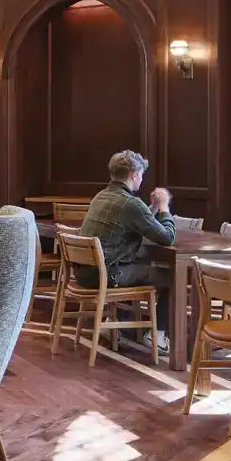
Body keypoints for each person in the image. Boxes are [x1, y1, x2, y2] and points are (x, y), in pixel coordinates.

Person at [76, 150, 176, 351]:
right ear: (133, 175)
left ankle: (114, 325)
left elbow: (138, 221)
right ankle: (157, 336)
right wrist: (165, 206)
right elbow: (167, 237)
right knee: (173, 277)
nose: (142, 179)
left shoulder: (101, 196)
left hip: (84, 273)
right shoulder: (130, 203)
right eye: (141, 175)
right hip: (106, 275)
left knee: (136, 265)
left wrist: (153, 208)